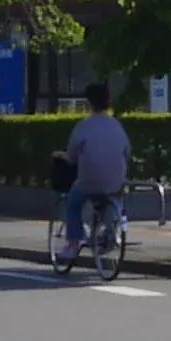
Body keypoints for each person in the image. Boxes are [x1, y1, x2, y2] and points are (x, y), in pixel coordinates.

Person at [60, 91, 130, 265]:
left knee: (73, 204)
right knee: (114, 197)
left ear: (89, 104)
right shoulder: (116, 125)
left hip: (89, 181)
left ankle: (73, 244)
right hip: (116, 180)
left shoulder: (84, 125)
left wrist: (62, 155)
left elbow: (72, 155)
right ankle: (112, 232)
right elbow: (127, 151)